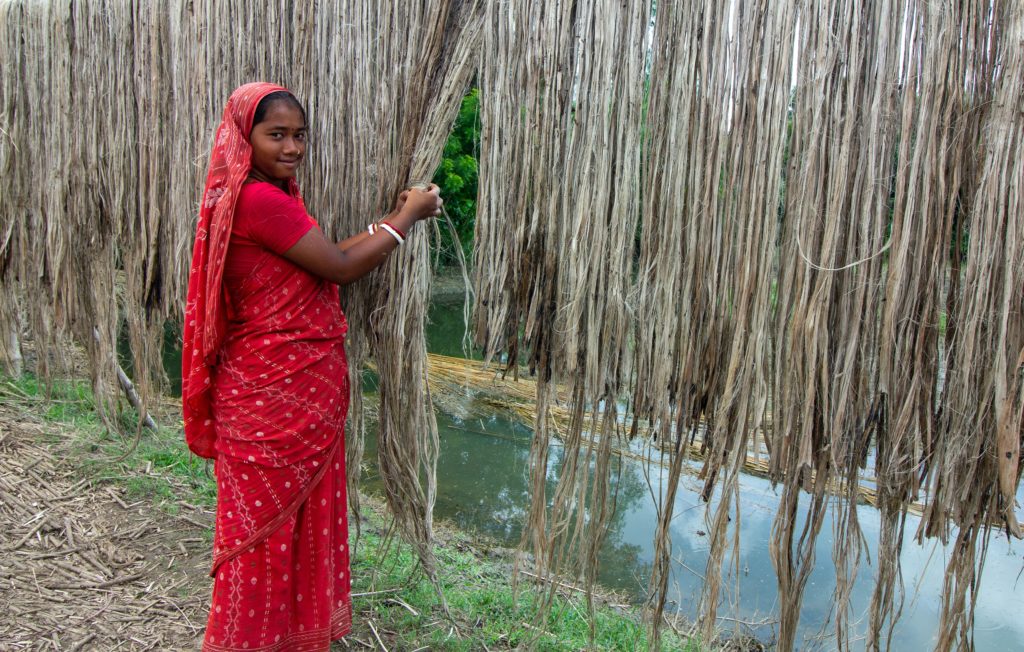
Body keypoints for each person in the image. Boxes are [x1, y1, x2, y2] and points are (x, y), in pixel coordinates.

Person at [181, 82, 442, 651]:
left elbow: (325, 254)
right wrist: (409, 217)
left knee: (285, 540)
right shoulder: (260, 200)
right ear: (243, 137)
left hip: (287, 401)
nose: (292, 147)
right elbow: (343, 268)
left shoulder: (262, 197)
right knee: (259, 545)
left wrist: (392, 217)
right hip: (271, 404)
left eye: (299, 135)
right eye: (276, 135)